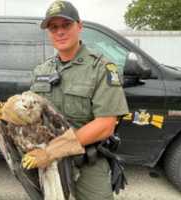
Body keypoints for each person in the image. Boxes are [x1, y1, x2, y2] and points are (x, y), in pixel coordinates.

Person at [21, 1, 129, 200]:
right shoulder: (41, 70)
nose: (60, 32)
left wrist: (53, 151)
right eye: (54, 27)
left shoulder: (101, 68)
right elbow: (31, 113)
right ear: (48, 32)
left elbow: (105, 125)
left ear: (79, 26)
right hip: (47, 160)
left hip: (86, 158)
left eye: (66, 25)